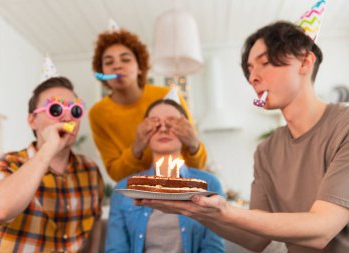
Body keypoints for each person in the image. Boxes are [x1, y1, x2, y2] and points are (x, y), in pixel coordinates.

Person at [136, 21, 349, 253]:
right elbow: (255, 240)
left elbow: (322, 229)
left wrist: (226, 211)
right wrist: (195, 210)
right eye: (249, 69)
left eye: (265, 63)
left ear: (305, 62)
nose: (253, 77)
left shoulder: (344, 126)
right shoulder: (267, 149)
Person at [0, 77, 104, 252]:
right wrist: (49, 147)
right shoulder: (5, 164)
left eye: (75, 110)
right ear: (32, 120)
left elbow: (95, 222)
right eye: (56, 109)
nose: (67, 118)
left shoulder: (90, 170)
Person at [105, 99, 224, 253]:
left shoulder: (209, 185)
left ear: (187, 130)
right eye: (154, 123)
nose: (163, 128)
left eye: (172, 123)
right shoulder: (123, 190)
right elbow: (116, 249)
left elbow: (213, 248)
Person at [88, 28, 207, 182]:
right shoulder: (98, 113)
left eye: (125, 59)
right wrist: (137, 146)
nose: (117, 66)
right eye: (109, 62)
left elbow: (197, 167)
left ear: (140, 67)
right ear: (102, 72)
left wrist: (193, 145)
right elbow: (117, 175)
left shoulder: (168, 96)